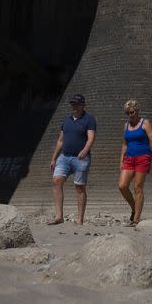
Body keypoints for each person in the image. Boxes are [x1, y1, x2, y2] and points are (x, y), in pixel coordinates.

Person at [49, 93, 96, 225]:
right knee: (56, 181)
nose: (74, 106)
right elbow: (60, 140)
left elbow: (91, 138)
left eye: (77, 104)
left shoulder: (89, 119)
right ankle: (59, 216)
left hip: (81, 158)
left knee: (79, 187)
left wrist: (85, 150)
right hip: (64, 157)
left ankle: (80, 219)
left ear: (82, 105)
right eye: (72, 104)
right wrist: (54, 158)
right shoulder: (67, 120)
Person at [118, 99, 152, 225]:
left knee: (138, 187)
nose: (131, 114)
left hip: (143, 157)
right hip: (129, 158)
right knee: (122, 186)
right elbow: (124, 144)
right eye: (128, 113)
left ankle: (136, 219)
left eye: (132, 112)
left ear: (137, 110)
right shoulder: (126, 125)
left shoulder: (145, 123)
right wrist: (121, 160)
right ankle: (134, 208)